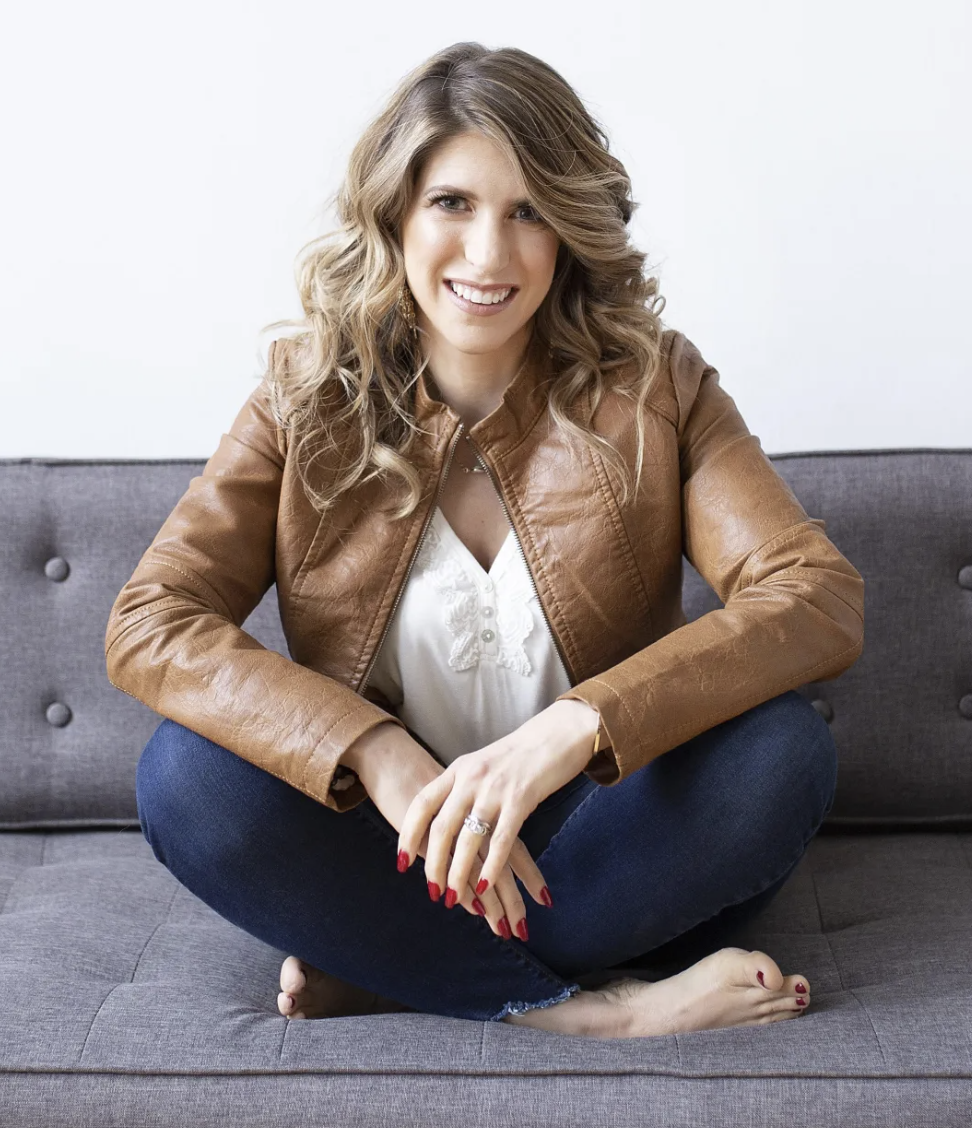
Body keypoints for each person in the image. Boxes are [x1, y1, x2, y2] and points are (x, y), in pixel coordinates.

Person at [107, 42, 864, 1038]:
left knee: (783, 752)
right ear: (396, 215)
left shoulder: (658, 387)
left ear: (570, 231)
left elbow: (815, 593)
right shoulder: (303, 400)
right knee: (184, 780)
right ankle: (592, 1013)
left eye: (529, 212)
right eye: (453, 204)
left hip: (602, 836)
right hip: (392, 845)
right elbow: (152, 621)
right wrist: (372, 750)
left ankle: (402, 970)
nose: (489, 254)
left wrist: (577, 728)